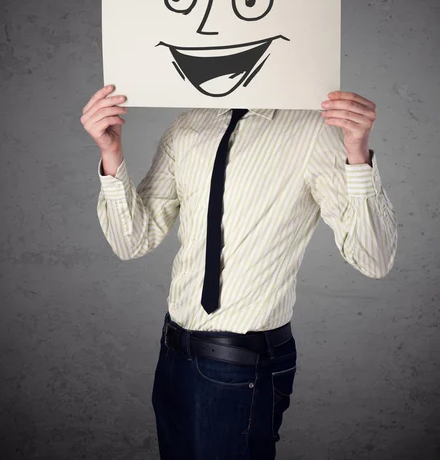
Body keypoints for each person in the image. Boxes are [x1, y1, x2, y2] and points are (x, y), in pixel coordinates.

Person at [81, 84, 397, 460]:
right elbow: (132, 241)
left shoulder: (315, 130)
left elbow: (374, 259)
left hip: (242, 365)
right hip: (173, 356)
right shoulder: (187, 126)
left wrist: (357, 154)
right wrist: (111, 152)